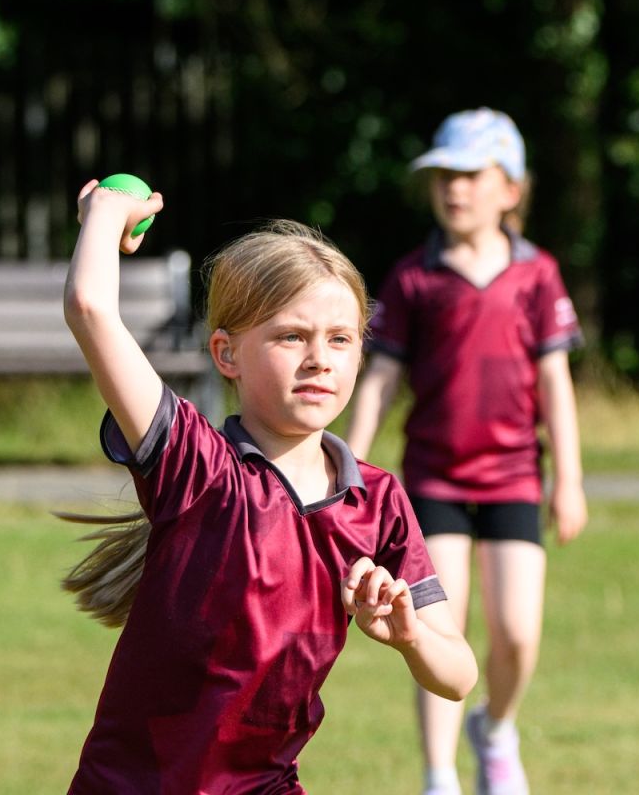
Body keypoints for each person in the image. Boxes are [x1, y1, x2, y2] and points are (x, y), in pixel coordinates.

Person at [58, 179, 479, 793]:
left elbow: (459, 675)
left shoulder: (378, 500)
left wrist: (410, 635)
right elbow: (90, 307)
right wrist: (103, 212)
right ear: (226, 354)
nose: (319, 359)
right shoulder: (195, 465)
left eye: (340, 339)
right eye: (291, 337)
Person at [345, 108, 588, 795]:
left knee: (516, 633)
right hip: (433, 482)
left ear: (510, 189)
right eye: (443, 176)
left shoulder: (537, 275)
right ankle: (438, 776)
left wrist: (568, 480)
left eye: (471, 175)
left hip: (512, 479)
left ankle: (497, 730)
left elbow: (555, 383)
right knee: (434, 628)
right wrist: (349, 473)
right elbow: (380, 382)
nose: (454, 190)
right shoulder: (412, 278)